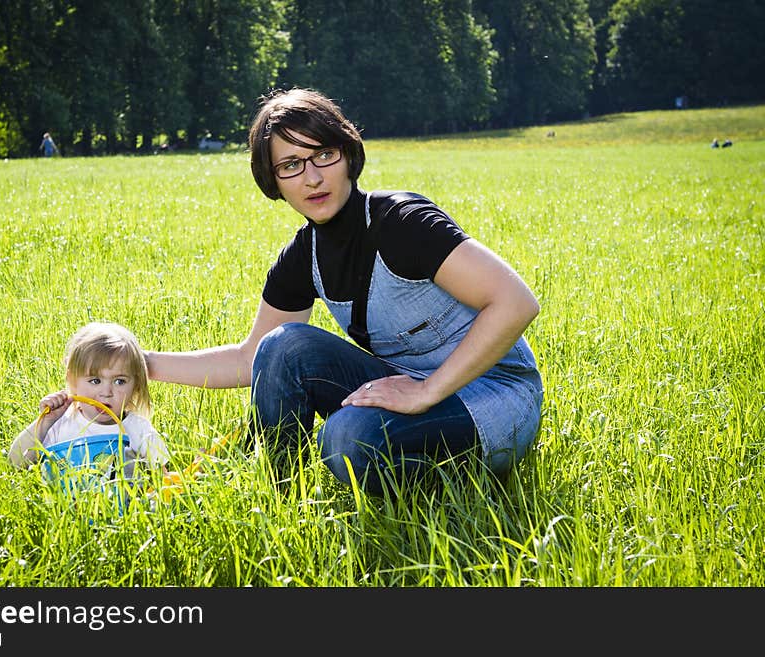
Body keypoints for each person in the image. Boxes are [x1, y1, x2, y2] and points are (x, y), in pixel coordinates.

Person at [145, 88, 543, 495]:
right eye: (291, 165)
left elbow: (515, 302)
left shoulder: (402, 222)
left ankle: (466, 488)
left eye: (323, 155)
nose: (312, 178)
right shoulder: (303, 257)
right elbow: (252, 360)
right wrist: (140, 364)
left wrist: (427, 391)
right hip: (405, 387)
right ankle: (282, 495)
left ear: (348, 154)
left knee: (345, 439)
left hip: (495, 395)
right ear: (273, 181)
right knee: (284, 345)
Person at [9, 322, 169, 481]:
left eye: (119, 381)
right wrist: (44, 422)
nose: (106, 393)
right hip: (67, 505)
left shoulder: (138, 429)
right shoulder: (61, 424)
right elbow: (16, 462)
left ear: (136, 385)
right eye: (95, 381)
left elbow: (162, 480)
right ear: (72, 380)